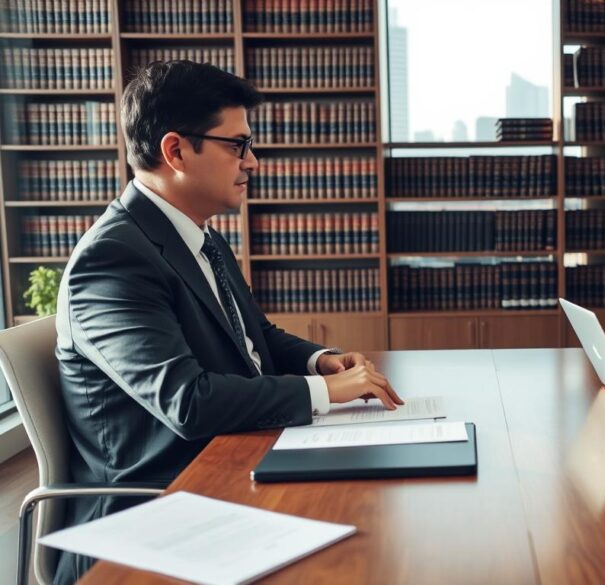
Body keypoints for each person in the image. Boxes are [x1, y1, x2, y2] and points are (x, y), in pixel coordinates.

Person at [53, 60, 402, 583]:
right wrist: (326, 393)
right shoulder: (111, 261)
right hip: (155, 515)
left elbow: (255, 337)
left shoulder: (202, 237)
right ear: (175, 151)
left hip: (230, 467)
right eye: (236, 145)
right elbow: (187, 403)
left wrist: (322, 361)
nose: (253, 161)